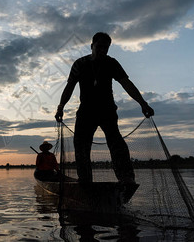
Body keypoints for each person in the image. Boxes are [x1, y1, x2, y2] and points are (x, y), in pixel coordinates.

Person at [55, 32, 154, 184]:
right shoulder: (80, 64)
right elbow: (69, 87)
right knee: (81, 146)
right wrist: (61, 106)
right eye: (99, 46)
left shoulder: (112, 63)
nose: (102, 50)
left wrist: (143, 103)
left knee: (117, 144)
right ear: (92, 46)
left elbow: (126, 83)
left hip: (107, 110)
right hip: (86, 112)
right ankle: (85, 181)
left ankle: (126, 179)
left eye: (106, 48)